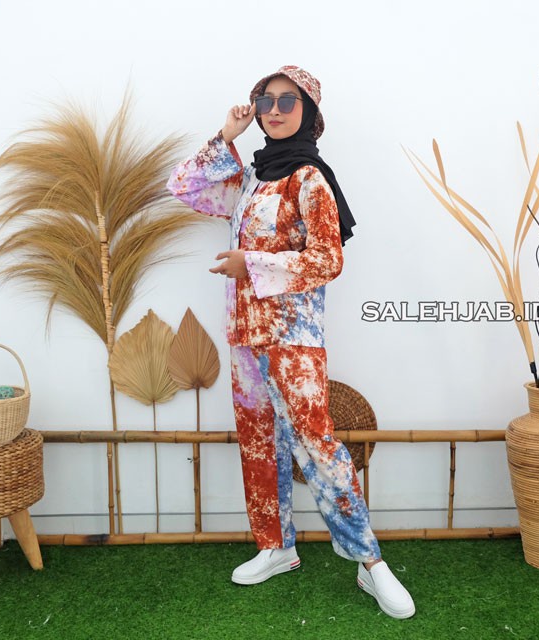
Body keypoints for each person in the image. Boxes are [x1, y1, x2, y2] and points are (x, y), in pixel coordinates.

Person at [167, 65, 415, 620]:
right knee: (259, 443)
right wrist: (225, 136)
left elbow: (328, 259)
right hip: (243, 335)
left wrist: (251, 264)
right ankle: (276, 546)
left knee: (316, 445)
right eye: (265, 101)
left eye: (286, 101)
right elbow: (182, 186)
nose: (273, 111)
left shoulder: (309, 180)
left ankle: (369, 561)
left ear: (309, 112)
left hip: (293, 338)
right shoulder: (251, 179)